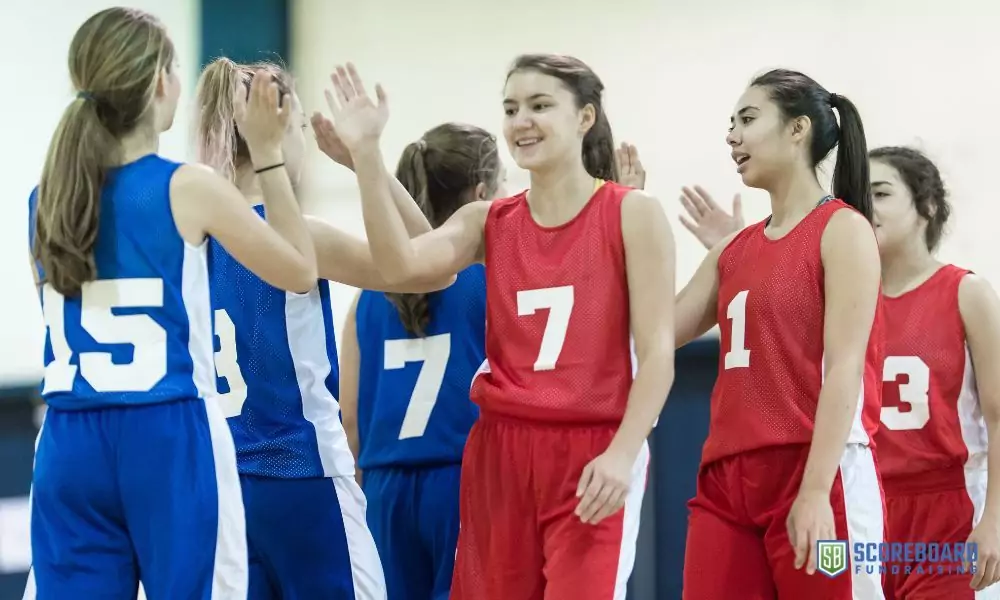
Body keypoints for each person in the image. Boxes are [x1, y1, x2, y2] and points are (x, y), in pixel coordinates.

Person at [322, 55, 676, 599]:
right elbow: (399, 267)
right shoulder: (486, 221)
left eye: (540, 106)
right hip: (499, 455)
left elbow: (656, 354)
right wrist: (367, 157)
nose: (521, 121)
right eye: (511, 108)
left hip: (589, 449)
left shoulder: (633, 213)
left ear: (585, 117)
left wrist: (623, 453)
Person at [24, 7, 318, 599]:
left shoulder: (45, 197)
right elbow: (300, 269)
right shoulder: (186, 186)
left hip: (68, 440)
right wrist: (268, 154)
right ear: (161, 80)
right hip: (168, 432)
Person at [679, 146, 1000, 597]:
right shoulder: (828, 293)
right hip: (854, 496)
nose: (865, 206)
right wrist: (739, 251)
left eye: (881, 193)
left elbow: (998, 416)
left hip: (943, 520)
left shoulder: (966, 293)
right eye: (858, 196)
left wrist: (995, 521)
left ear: (927, 207)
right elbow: (774, 304)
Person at [194, 58, 455, 599]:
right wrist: (367, 162)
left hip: (220, 491)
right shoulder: (293, 235)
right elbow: (431, 265)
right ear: (278, 129)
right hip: (303, 478)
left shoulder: (189, 238)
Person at [672, 70, 886, 599]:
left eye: (747, 119)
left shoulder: (843, 229)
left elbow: (844, 368)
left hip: (816, 466)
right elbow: (657, 333)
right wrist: (619, 230)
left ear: (798, 130)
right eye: (731, 123)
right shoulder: (733, 249)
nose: (732, 135)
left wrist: (815, 490)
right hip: (727, 478)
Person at [338, 122, 503, 600]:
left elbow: (349, 421)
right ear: (480, 193)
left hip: (385, 489)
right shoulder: (486, 279)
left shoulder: (367, 296)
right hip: (460, 481)